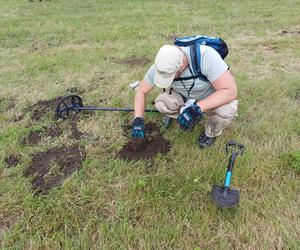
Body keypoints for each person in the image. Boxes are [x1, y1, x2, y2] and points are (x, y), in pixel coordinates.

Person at [131, 43, 238, 148]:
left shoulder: (206, 57)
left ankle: (210, 134)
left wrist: (197, 108)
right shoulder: (164, 65)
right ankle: (185, 116)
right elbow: (141, 91)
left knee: (224, 113)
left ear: (182, 66)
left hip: (212, 96)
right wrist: (138, 119)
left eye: (171, 76)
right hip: (186, 96)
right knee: (161, 104)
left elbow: (230, 91)